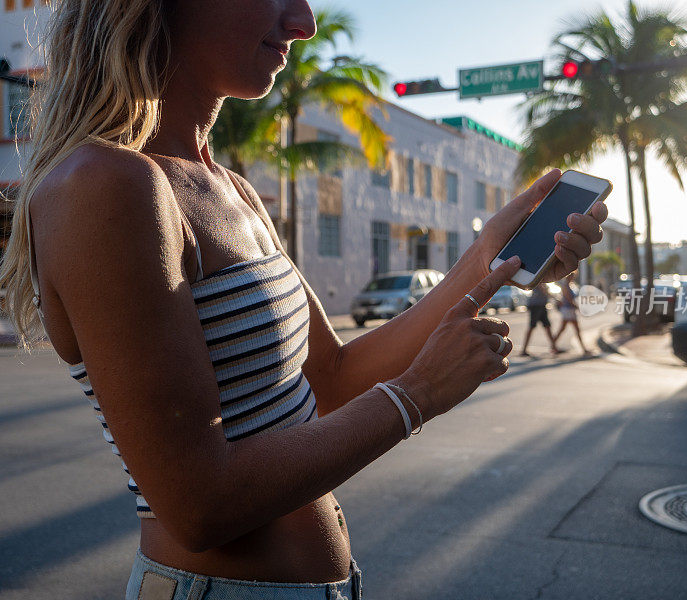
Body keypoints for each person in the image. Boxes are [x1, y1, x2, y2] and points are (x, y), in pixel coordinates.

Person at [0, 1, 608, 597]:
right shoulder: (104, 185)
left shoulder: (230, 188)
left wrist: (485, 261)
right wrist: (416, 395)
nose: (304, 23)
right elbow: (197, 507)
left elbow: (330, 379)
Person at [553, 272, 591, 356]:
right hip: (568, 311)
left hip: (570, 310)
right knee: (568, 329)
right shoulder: (565, 286)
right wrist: (578, 308)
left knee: (573, 329)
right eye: (572, 276)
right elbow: (569, 299)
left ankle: (553, 345)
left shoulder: (570, 285)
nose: (573, 278)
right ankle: (553, 345)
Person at [519, 283, 559, 356]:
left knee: (547, 326)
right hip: (536, 306)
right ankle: (524, 350)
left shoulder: (543, 280)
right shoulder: (540, 279)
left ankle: (554, 347)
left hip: (541, 305)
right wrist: (555, 299)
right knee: (532, 326)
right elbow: (544, 290)